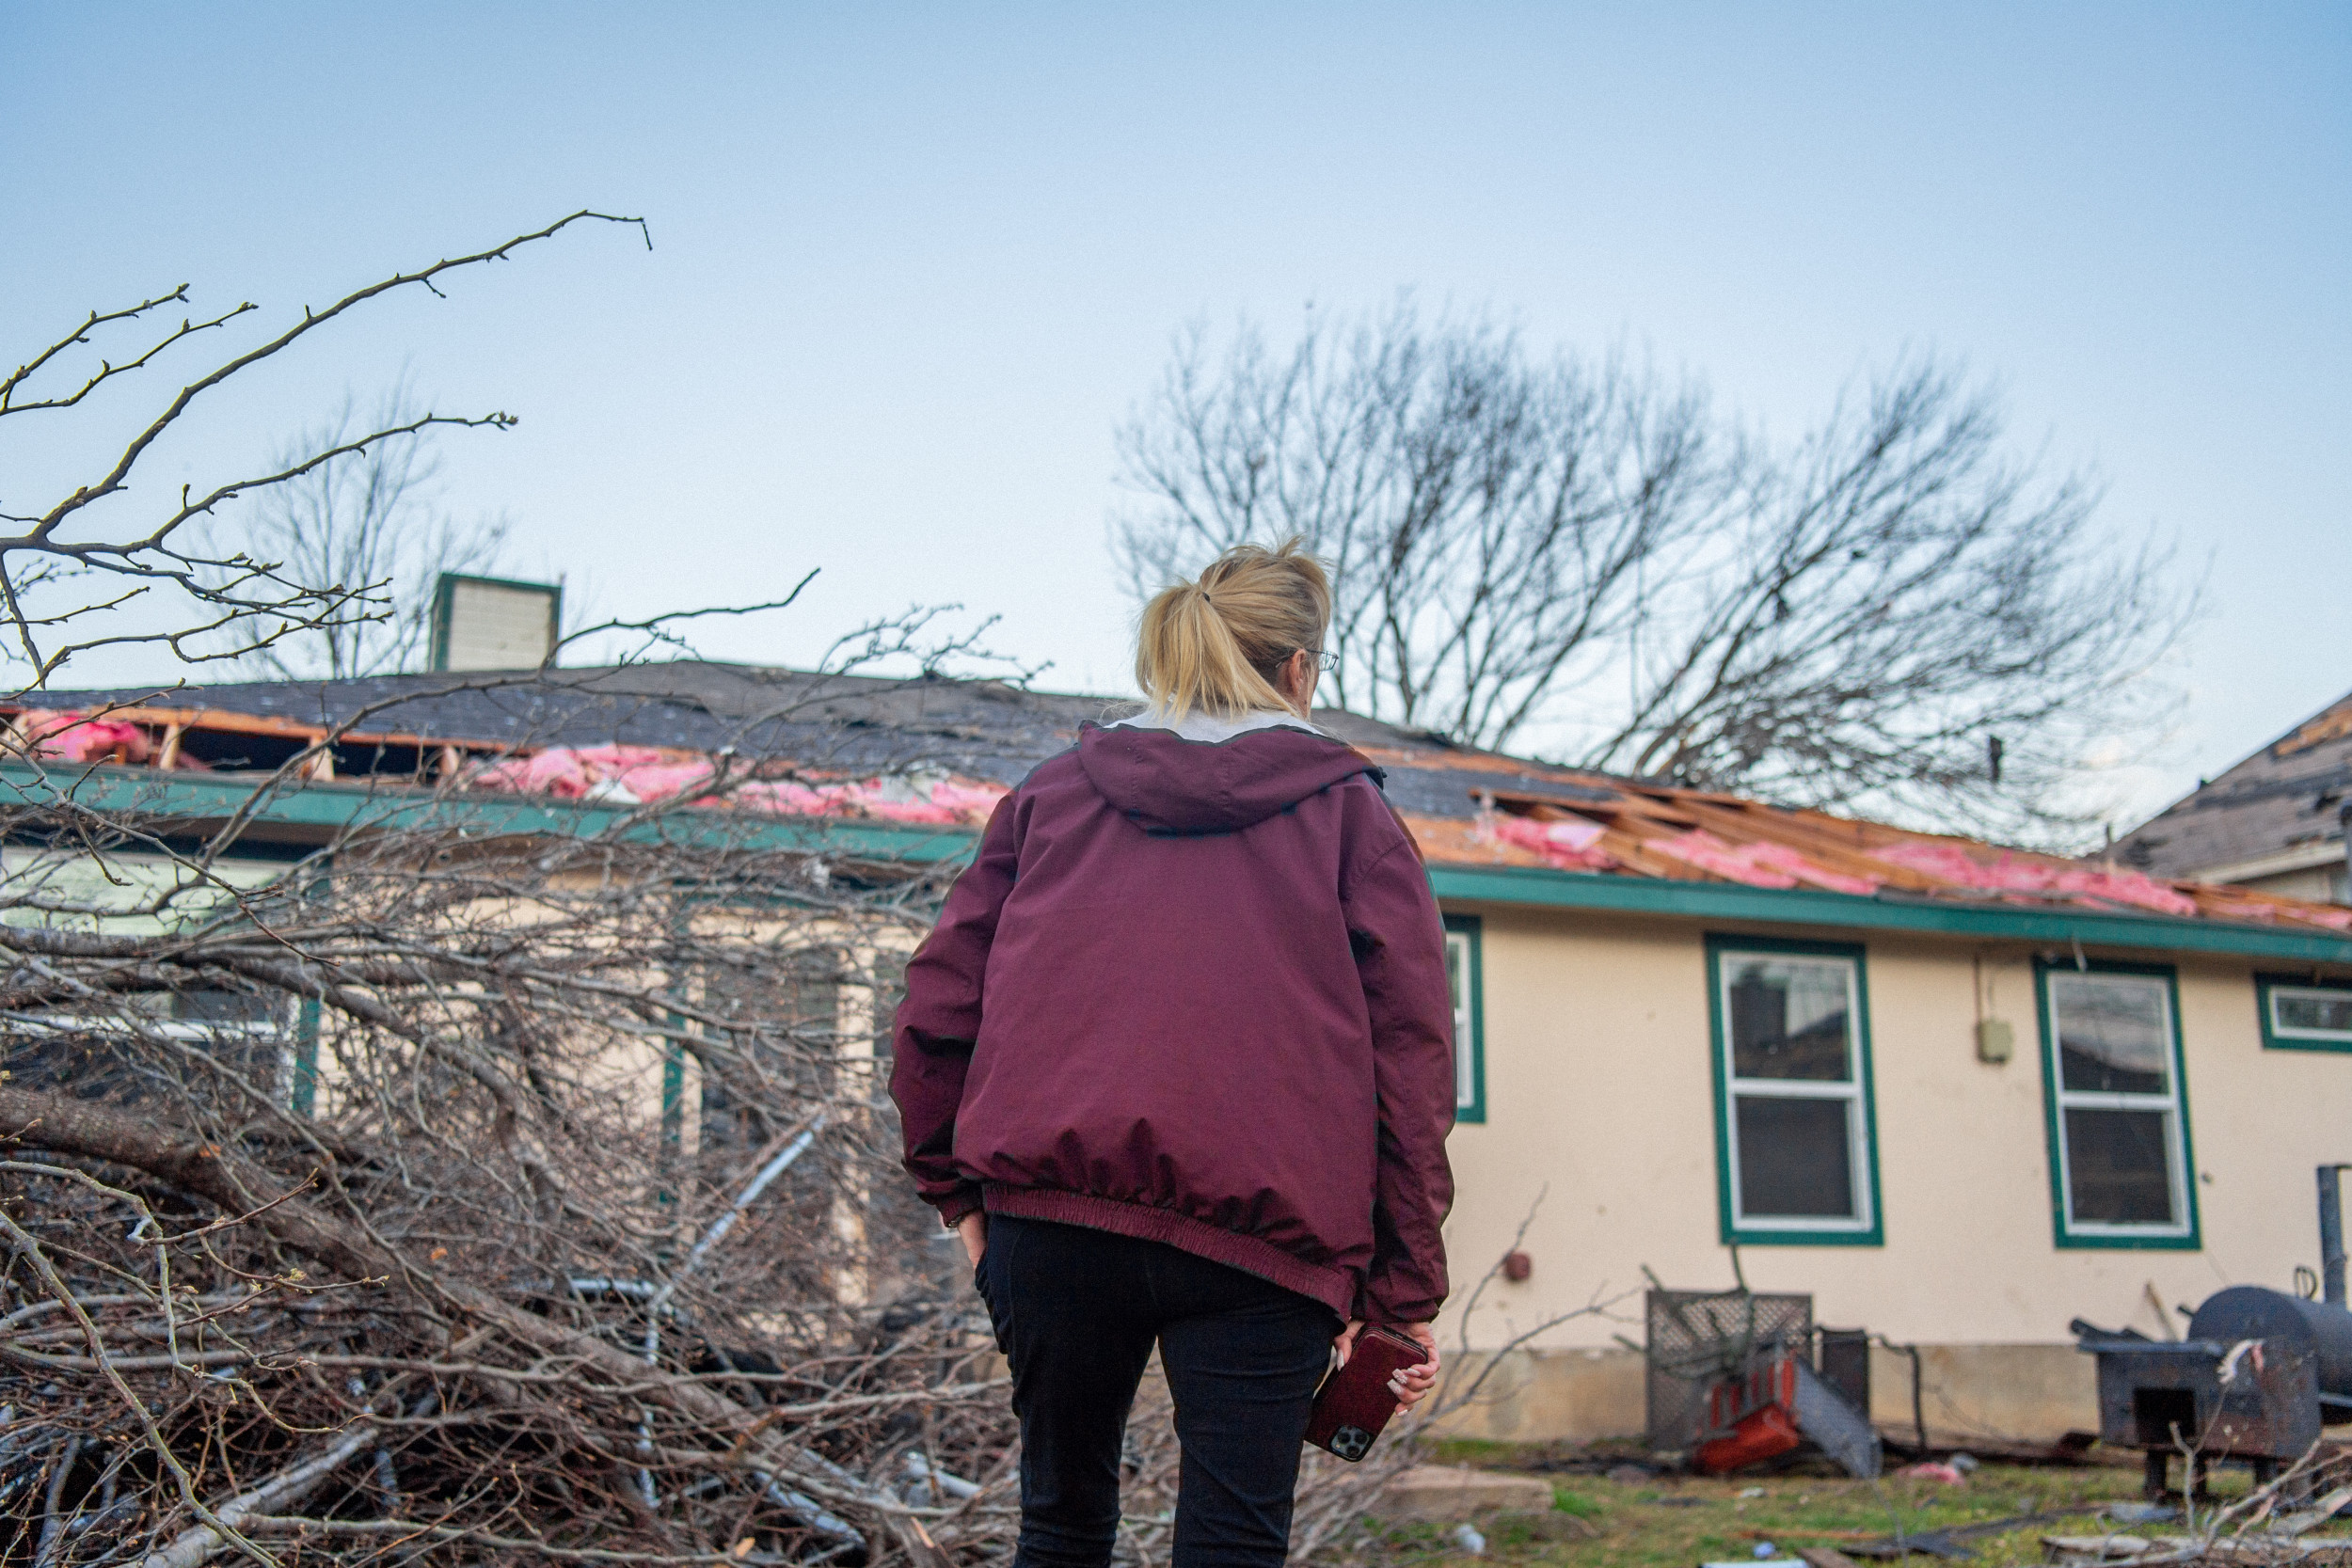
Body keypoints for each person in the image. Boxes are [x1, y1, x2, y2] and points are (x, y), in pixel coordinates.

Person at [889, 539, 1457, 1568]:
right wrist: (1400, 1299)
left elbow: (937, 1001)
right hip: (1266, 1248)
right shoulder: (1353, 819)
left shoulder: (1051, 797)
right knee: (1233, 1544)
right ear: (1298, 668)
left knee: (1059, 1527)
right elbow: (1408, 1069)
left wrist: (959, 1195)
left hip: (1052, 1226)